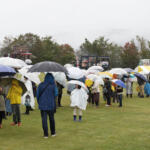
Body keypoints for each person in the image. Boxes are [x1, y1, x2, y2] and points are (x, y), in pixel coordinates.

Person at [36, 73, 58, 138]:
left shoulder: (41, 85)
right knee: (52, 119)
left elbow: (37, 95)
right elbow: (56, 94)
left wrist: (39, 102)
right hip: (51, 104)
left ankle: (45, 134)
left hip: (42, 104)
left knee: (44, 120)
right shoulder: (53, 85)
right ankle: (53, 133)